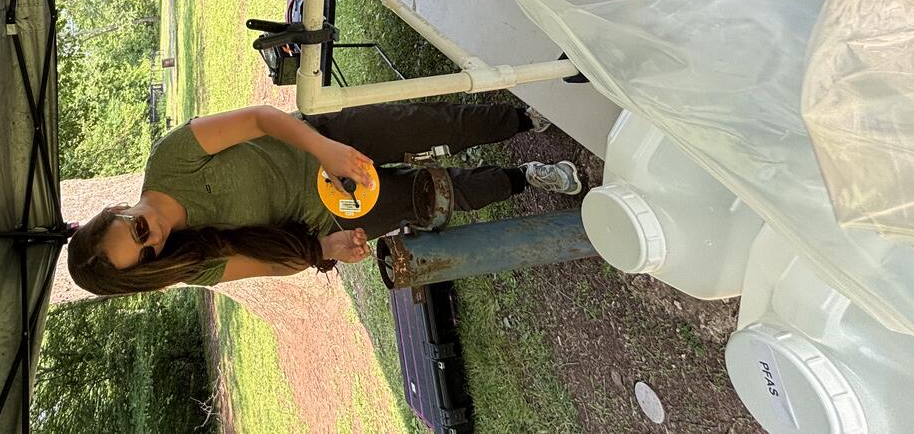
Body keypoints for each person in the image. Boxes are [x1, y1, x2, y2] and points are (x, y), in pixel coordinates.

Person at [66, 101, 581, 296]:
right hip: (336, 213)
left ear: (117, 211)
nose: (156, 239)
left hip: (328, 141)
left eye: (138, 230)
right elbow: (273, 264)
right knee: (438, 197)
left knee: (433, 126)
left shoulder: (169, 161)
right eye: (148, 257)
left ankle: (524, 118)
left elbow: (261, 119)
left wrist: (327, 150)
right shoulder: (190, 264)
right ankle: (525, 177)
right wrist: (324, 250)